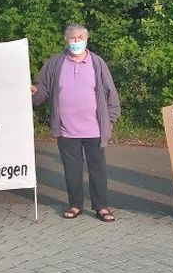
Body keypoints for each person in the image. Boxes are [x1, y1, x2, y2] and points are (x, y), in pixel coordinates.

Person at [31, 24, 121, 222]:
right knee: (72, 170)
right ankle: (75, 205)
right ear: (66, 40)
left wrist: (111, 120)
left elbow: (110, 92)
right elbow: (43, 89)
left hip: (94, 128)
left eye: (80, 38)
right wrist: (35, 92)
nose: (77, 41)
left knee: (98, 169)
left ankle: (101, 207)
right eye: (73, 38)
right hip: (66, 129)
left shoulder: (97, 63)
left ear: (87, 40)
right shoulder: (55, 63)